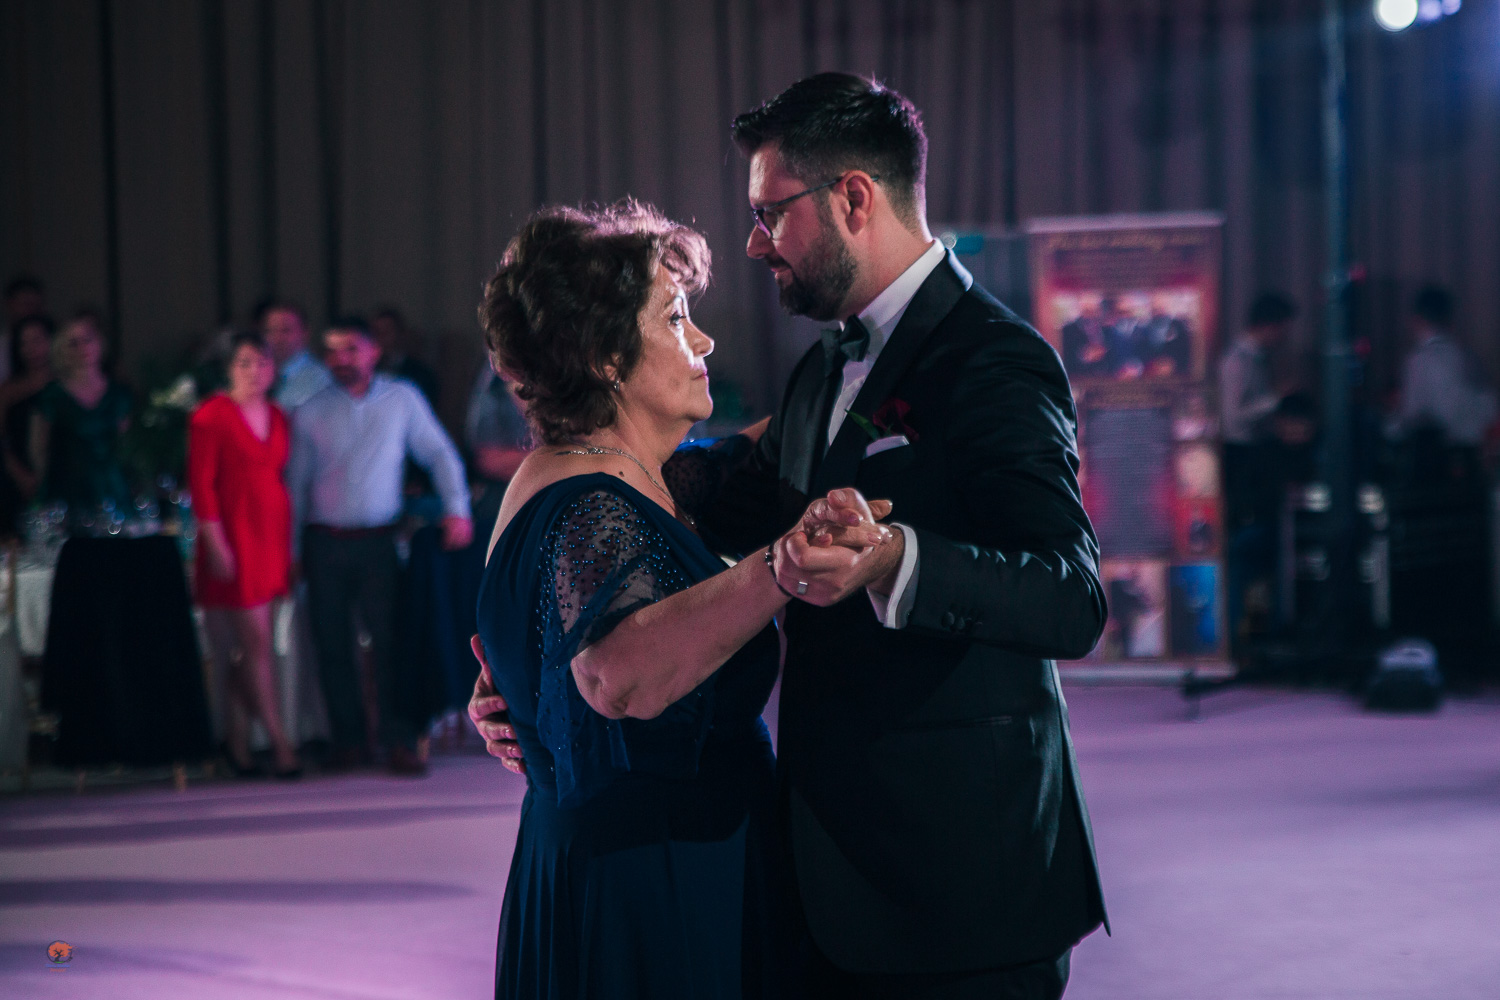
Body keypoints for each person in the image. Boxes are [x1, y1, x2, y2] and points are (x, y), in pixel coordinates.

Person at [474, 73, 1109, 999]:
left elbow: (1070, 597)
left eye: (771, 213)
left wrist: (896, 560)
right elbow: (655, 505)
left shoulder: (997, 362)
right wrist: (532, 663)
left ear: (852, 199)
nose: (754, 243)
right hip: (814, 882)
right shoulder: (820, 372)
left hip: (955, 878)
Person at [471, 200, 885, 999]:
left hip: (617, 865)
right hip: (655, 889)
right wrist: (783, 569)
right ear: (606, 356)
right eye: (675, 317)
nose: (704, 340)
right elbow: (614, 676)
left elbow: (766, 445)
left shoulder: (604, 474)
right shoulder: (592, 503)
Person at [287, 316, 473, 776]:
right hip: (323, 540)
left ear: (373, 352)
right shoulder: (309, 411)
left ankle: (398, 739)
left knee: (393, 644)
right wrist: (291, 551)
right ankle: (348, 740)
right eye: (332, 351)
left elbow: (439, 453)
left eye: (351, 349)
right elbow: (295, 486)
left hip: (379, 541)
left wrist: (458, 508)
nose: (341, 359)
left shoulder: (401, 398)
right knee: (331, 645)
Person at [187, 332, 301, 778]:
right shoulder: (211, 415)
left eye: (262, 363)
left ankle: (237, 744)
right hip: (234, 538)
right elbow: (201, 488)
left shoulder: (278, 414)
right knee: (255, 645)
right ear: (229, 368)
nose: (254, 372)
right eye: (245, 363)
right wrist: (216, 546)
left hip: (270, 538)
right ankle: (279, 742)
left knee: (254, 648)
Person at [1219, 292, 1296, 645]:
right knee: (1245, 545)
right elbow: (1233, 418)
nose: (1283, 338)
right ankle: (1237, 632)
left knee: (1263, 545)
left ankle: (1261, 628)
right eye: (1282, 330)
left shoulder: (1257, 360)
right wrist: (1275, 401)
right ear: (1268, 326)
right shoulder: (1237, 361)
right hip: (1241, 461)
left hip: (1257, 460)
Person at [31, 311, 132, 514]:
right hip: (66, 492)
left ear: (99, 343)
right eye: (73, 343)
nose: (82, 348)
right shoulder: (52, 396)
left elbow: (128, 448)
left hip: (112, 491)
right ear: (62, 350)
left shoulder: (119, 395)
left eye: (87, 340)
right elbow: (39, 450)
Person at [1389, 285, 1498, 447]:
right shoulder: (1467, 354)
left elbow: (1411, 414)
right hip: (1481, 440)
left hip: (1446, 446)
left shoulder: (1418, 360)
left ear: (1417, 320)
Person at [0, 313, 56, 531]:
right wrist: (17, 471)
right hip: (16, 474)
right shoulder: (9, 390)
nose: (31, 349)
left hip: (58, 474)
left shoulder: (64, 386)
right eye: (24, 343)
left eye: (37, 340)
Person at [257, 299, 331, 411]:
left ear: (305, 333)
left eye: (285, 330)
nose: (277, 338)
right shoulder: (259, 373)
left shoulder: (320, 380)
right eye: (270, 330)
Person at [372, 305, 441, 407]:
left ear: (400, 334)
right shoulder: (366, 372)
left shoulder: (421, 375)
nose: (381, 338)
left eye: (387, 332)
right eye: (376, 332)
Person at [2, 274, 48, 386]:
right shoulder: (3, 347)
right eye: (26, 304)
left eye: (36, 306)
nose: (31, 311)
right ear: (10, 305)